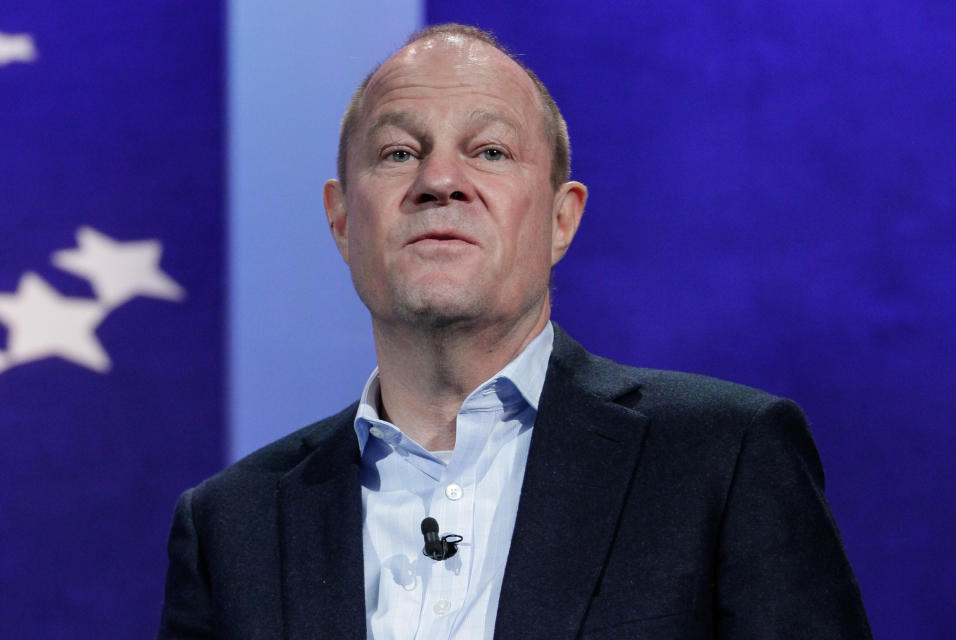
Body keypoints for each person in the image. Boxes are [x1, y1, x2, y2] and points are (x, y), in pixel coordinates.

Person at [157, 23, 872, 639]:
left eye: (489, 151)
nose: (440, 180)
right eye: (399, 153)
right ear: (342, 220)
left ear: (562, 219)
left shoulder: (725, 457)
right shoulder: (232, 526)